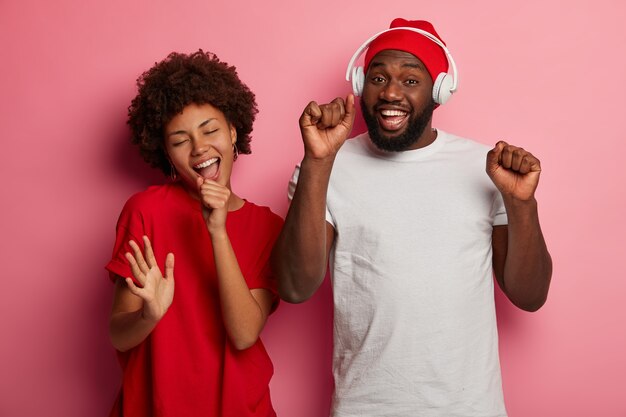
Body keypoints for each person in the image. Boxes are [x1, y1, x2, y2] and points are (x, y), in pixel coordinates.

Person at [272, 18, 552, 416]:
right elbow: (295, 286)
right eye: (378, 77)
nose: (390, 92)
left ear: (439, 92)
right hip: (362, 407)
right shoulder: (326, 165)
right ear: (359, 84)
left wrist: (521, 204)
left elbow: (530, 295)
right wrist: (318, 162)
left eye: (410, 80)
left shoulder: (485, 167)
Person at [106, 50, 282, 417]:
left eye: (210, 130)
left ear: (233, 130)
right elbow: (118, 336)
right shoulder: (145, 212)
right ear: (166, 153)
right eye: (180, 139)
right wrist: (148, 316)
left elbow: (244, 333)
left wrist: (217, 231)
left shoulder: (267, 226)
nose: (199, 148)